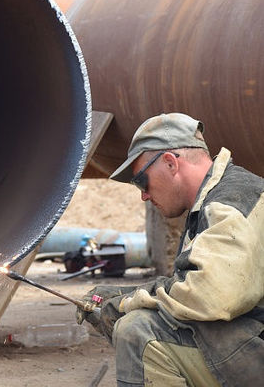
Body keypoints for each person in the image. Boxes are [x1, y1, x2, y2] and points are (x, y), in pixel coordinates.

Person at [77, 112, 264, 386]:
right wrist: (124, 294)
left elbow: (208, 297)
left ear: (170, 163)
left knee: (138, 331)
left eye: (142, 180)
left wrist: (125, 304)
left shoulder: (229, 204)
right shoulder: (214, 201)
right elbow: (193, 281)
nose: (143, 194)